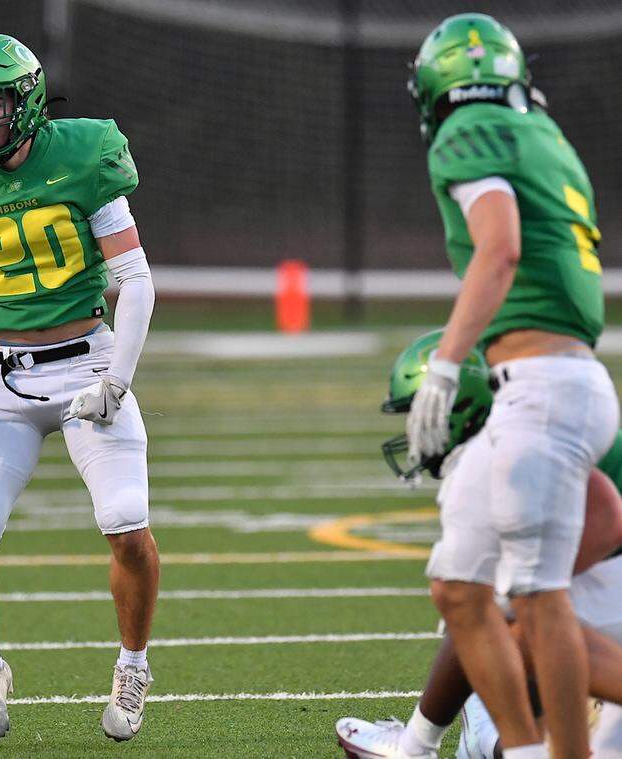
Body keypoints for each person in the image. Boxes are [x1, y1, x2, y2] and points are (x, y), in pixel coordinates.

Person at [0, 34, 159, 745]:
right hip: (3, 379)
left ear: (29, 101)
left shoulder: (81, 154)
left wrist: (116, 382)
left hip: (87, 362)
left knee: (127, 523)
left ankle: (134, 664)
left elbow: (135, 282)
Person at [396, 12, 619, 758]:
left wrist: (449, 360)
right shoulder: (546, 135)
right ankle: (513, 749)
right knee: (460, 582)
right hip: (560, 376)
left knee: (534, 595)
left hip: (541, 382)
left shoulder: (470, 129)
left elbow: (500, 248)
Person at [337, 331, 622, 758]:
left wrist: (531, 589)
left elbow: (607, 514)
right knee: (496, 606)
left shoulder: (524, 437)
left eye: (418, 411)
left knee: (501, 613)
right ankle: (490, 742)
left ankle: (421, 746)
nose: (412, 431)